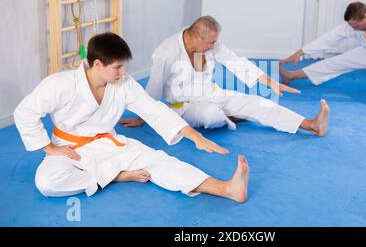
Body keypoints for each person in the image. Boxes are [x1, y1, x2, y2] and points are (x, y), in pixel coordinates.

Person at [14, 32, 249, 202]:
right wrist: (49, 148)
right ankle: (116, 176)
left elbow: (153, 109)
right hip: (69, 147)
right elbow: (25, 112)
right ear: (98, 64)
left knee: (160, 161)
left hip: (108, 143)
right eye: (117, 67)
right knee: (47, 182)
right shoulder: (60, 84)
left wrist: (193, 135)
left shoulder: (122, 83)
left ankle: (227, 188)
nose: (124, 73)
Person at [119, 16, 330, 137]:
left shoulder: (209, 43)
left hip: (213, 93)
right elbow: (154, 87)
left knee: (258, 103)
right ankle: (230, 116)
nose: (214, 46)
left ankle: (310, 124)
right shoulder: (166, 52)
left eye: (215, 42)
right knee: (210, 115)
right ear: (194, 36)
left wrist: (271, 82)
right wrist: (141, 117)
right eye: (210, 43)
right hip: (184, 107)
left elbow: (235, 62)